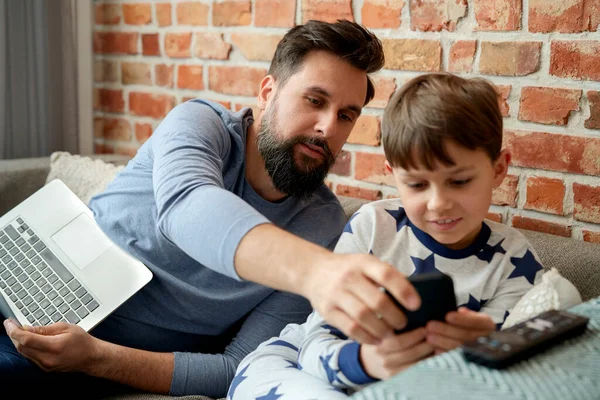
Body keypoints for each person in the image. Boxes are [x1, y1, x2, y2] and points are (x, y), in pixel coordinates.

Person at [1, 19, 423, 398]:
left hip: (58, 350)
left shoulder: (321, 226)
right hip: (26, 270)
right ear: (267, 91)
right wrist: (316, 271)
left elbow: (238, 366)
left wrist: (94, 358)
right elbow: (188, 207)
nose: (328, 127)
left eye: (346, 115)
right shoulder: (200, 124)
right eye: (315, 100)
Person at [227, 72, 546, 399]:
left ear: (498, 169)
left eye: (459, 181)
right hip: (298, 362)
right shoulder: (373, 225)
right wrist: (367, 361)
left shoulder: (514, 261)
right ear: (394, 175)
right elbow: (316, 339)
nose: (438, 204)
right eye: (417, 185)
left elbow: (514, 373)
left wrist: (480, 352)